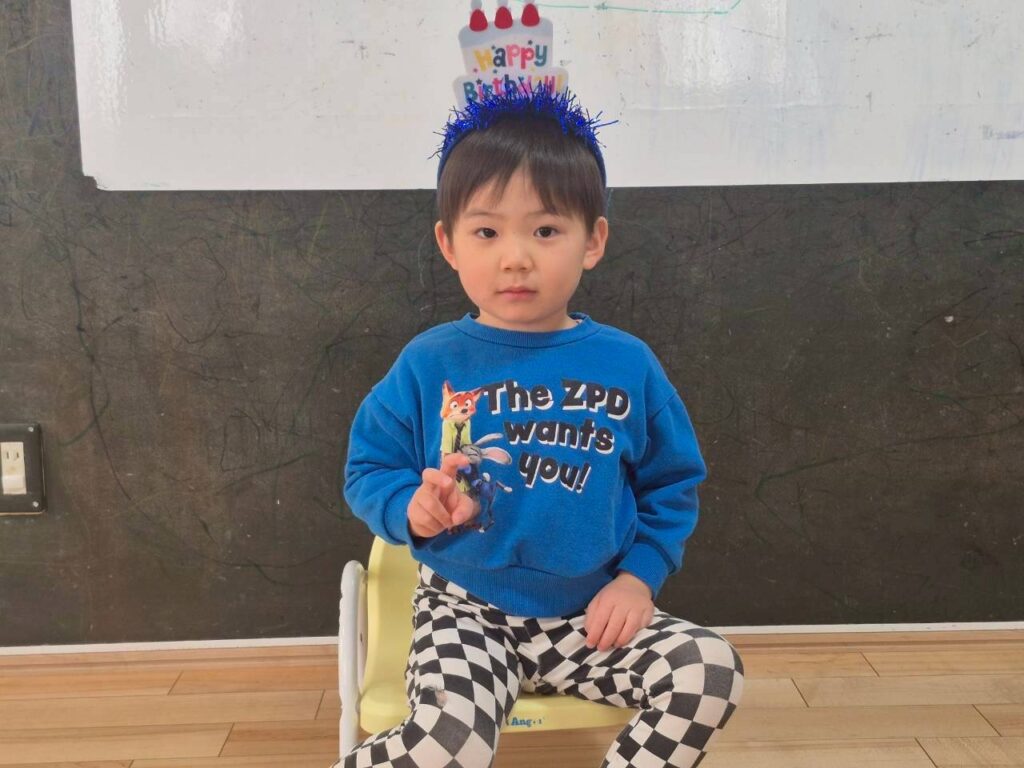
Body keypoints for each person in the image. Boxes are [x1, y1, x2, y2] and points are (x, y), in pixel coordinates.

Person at [339, 86, 744, 768]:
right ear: (448, 243)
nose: (516, 257)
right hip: (465, 612)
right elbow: (368, 468)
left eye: (547, 231)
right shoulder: (428, 362)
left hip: (589, 617)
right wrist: (409, 508)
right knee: (449, 741)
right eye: (487, 232)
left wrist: (638, 579)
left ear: (594, 241)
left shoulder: (628, 365)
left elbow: (672, 486)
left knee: (711, 669)